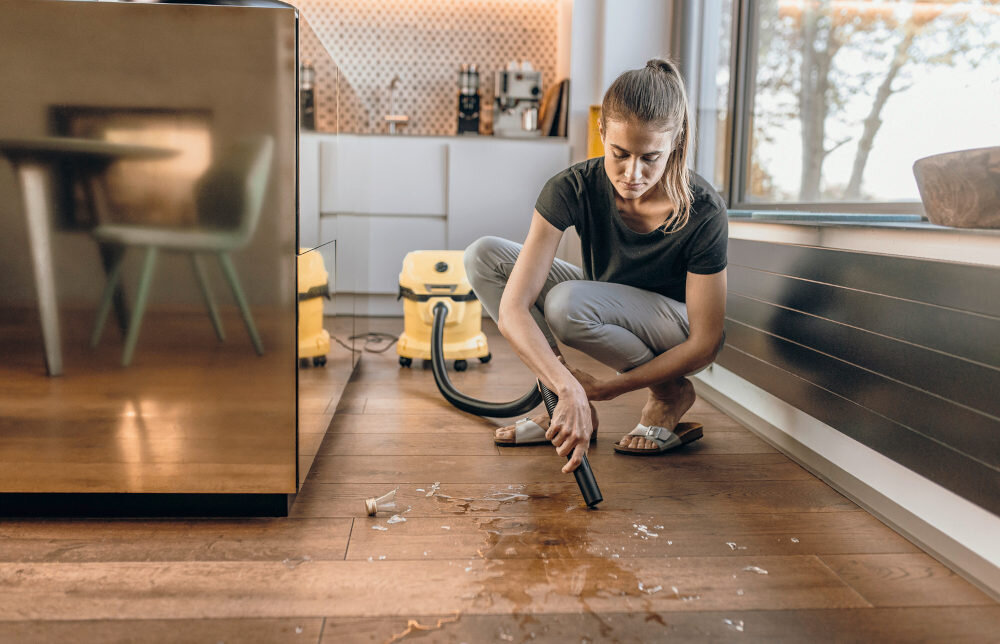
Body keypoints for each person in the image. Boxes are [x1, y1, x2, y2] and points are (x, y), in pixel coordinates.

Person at [464, 58, 728, 474]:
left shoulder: (703, 208)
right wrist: (566, 388)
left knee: (567, 304)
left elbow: (706, 343)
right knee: (484, 255)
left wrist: (604, 389)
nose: (632, 174)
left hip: (674, 328)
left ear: (675, 143)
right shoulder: (572, 187)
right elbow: (514, 308)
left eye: (651, 158)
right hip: (603, 299)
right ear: (601, 132)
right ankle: (559, 404)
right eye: (620, 154)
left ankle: (667, 396)